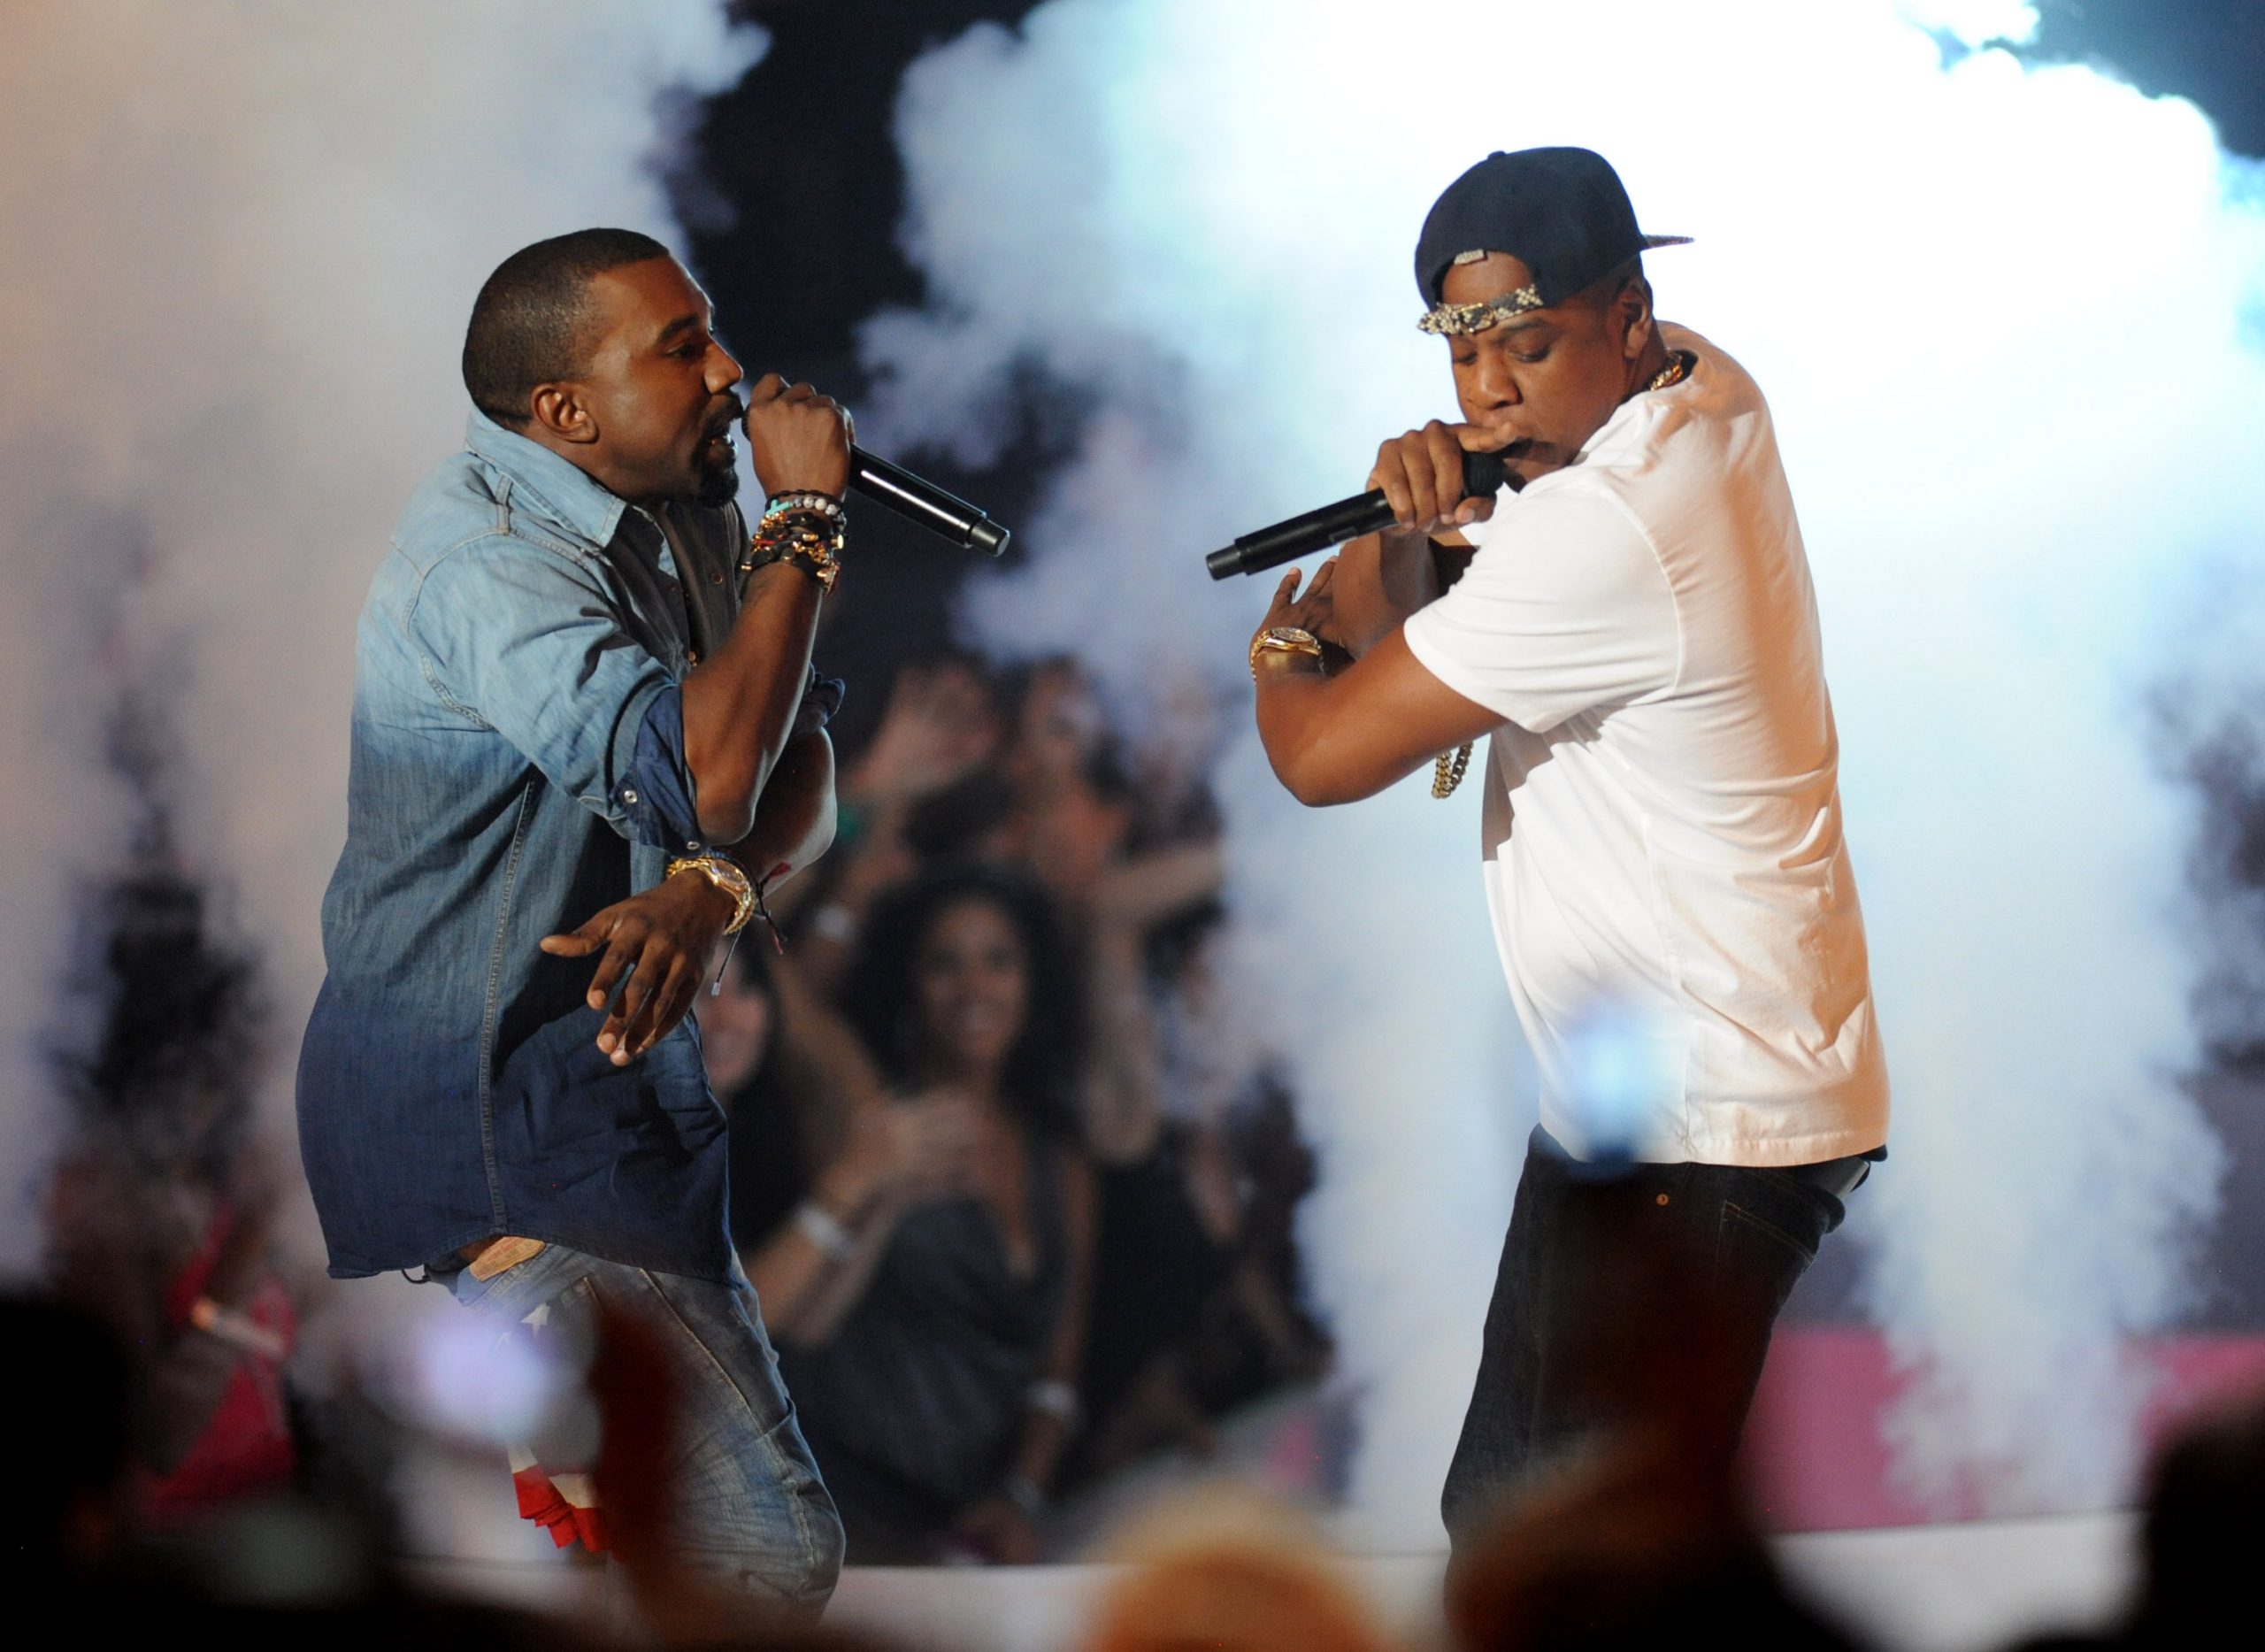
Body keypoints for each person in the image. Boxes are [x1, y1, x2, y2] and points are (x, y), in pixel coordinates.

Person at [1244, 148, 1889, 1541]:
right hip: (1674, 1105)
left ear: (1631, 318)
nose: (1489, 396)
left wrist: (1303, 628)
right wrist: (1462, 516)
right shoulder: (1707, 392)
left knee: (1570, 1559)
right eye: (1467, 359)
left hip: (1702, 1120)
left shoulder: (1610, 524)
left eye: (1529, 348)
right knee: (1542, 1532)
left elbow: (1318, 751)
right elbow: (1502, 542)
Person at [296, 227, 857, 1614]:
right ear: (565, 412)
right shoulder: (488, 563)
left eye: (710, 331)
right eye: (682, 350)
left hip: (603, 1103)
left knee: (648, 1565)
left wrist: (711, 883)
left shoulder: (688, 501)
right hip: (499, 1117)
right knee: (766, 1550)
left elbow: (800, 775)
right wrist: (808, 526)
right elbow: (717, 771)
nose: (730, 372)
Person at [745, 865, 1097, 1564]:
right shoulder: (873, 1111)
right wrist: (864, 818)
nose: (974, 988)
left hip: (957, 1532)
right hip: (828, 1500)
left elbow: (1058, 1368)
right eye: (944, 963)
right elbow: (764, 961)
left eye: (999, 960)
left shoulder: (1062, 1160)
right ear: (910, 982)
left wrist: (1023, 1493)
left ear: (1032, 981)